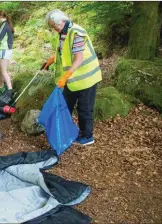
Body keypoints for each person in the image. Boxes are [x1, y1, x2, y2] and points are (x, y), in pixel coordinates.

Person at [42, 9, 102, 146]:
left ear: (62, 21)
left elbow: (79, 59)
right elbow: (64, 53)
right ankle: (64, 132)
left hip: (86, 78)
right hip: (72, 80)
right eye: (51, 26)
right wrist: (51, 60)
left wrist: (65, 76)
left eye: (54, 25)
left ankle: (87, 136)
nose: (53, 29)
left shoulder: (76, 33)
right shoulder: (63, 33)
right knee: (65, 105)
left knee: (84, 109)